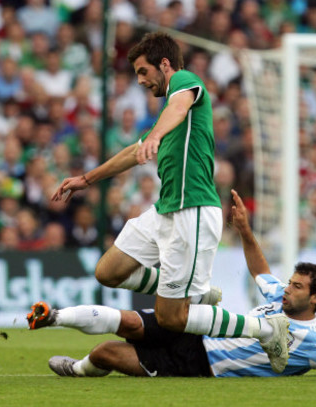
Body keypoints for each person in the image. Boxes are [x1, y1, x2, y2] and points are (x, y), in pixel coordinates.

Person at [51, 33, 289, 371]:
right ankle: (193, 295)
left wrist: (157, 136)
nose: (141, 81)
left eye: (143, 71)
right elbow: (136, 151)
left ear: (165, 65)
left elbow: (176, 108)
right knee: (108, 271)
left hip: (192, 211)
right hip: (164, 212)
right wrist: (86, 180)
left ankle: (265, 329)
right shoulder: (168, 116)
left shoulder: (186, 82)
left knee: (172, 318)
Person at [27, 189, 316, 379]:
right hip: (195, 326)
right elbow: (260, 272)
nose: (286, 289)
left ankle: (78, 371)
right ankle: (55, 315)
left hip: (201, 364)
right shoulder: (277, 299)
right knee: (130, 322)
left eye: (298, 287)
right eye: (290, 283)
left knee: (106, 353)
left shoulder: (313, 342)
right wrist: (246, 232)